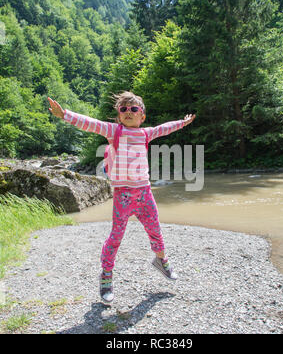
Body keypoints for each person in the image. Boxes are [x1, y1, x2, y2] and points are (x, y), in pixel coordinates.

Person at [48, 92, 196, 302]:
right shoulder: (114, 131)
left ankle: (161, 261)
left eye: (133, 109)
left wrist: (183, 122)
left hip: (144, 193)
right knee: (116, 237)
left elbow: (164, 128)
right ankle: (106, 275)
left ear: (142, 116)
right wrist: (65, 115)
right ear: (118, 116)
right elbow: (90, 123)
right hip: (123, 195)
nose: (128, 112)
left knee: (155, 230)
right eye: (123, 109)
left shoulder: (145, 133)